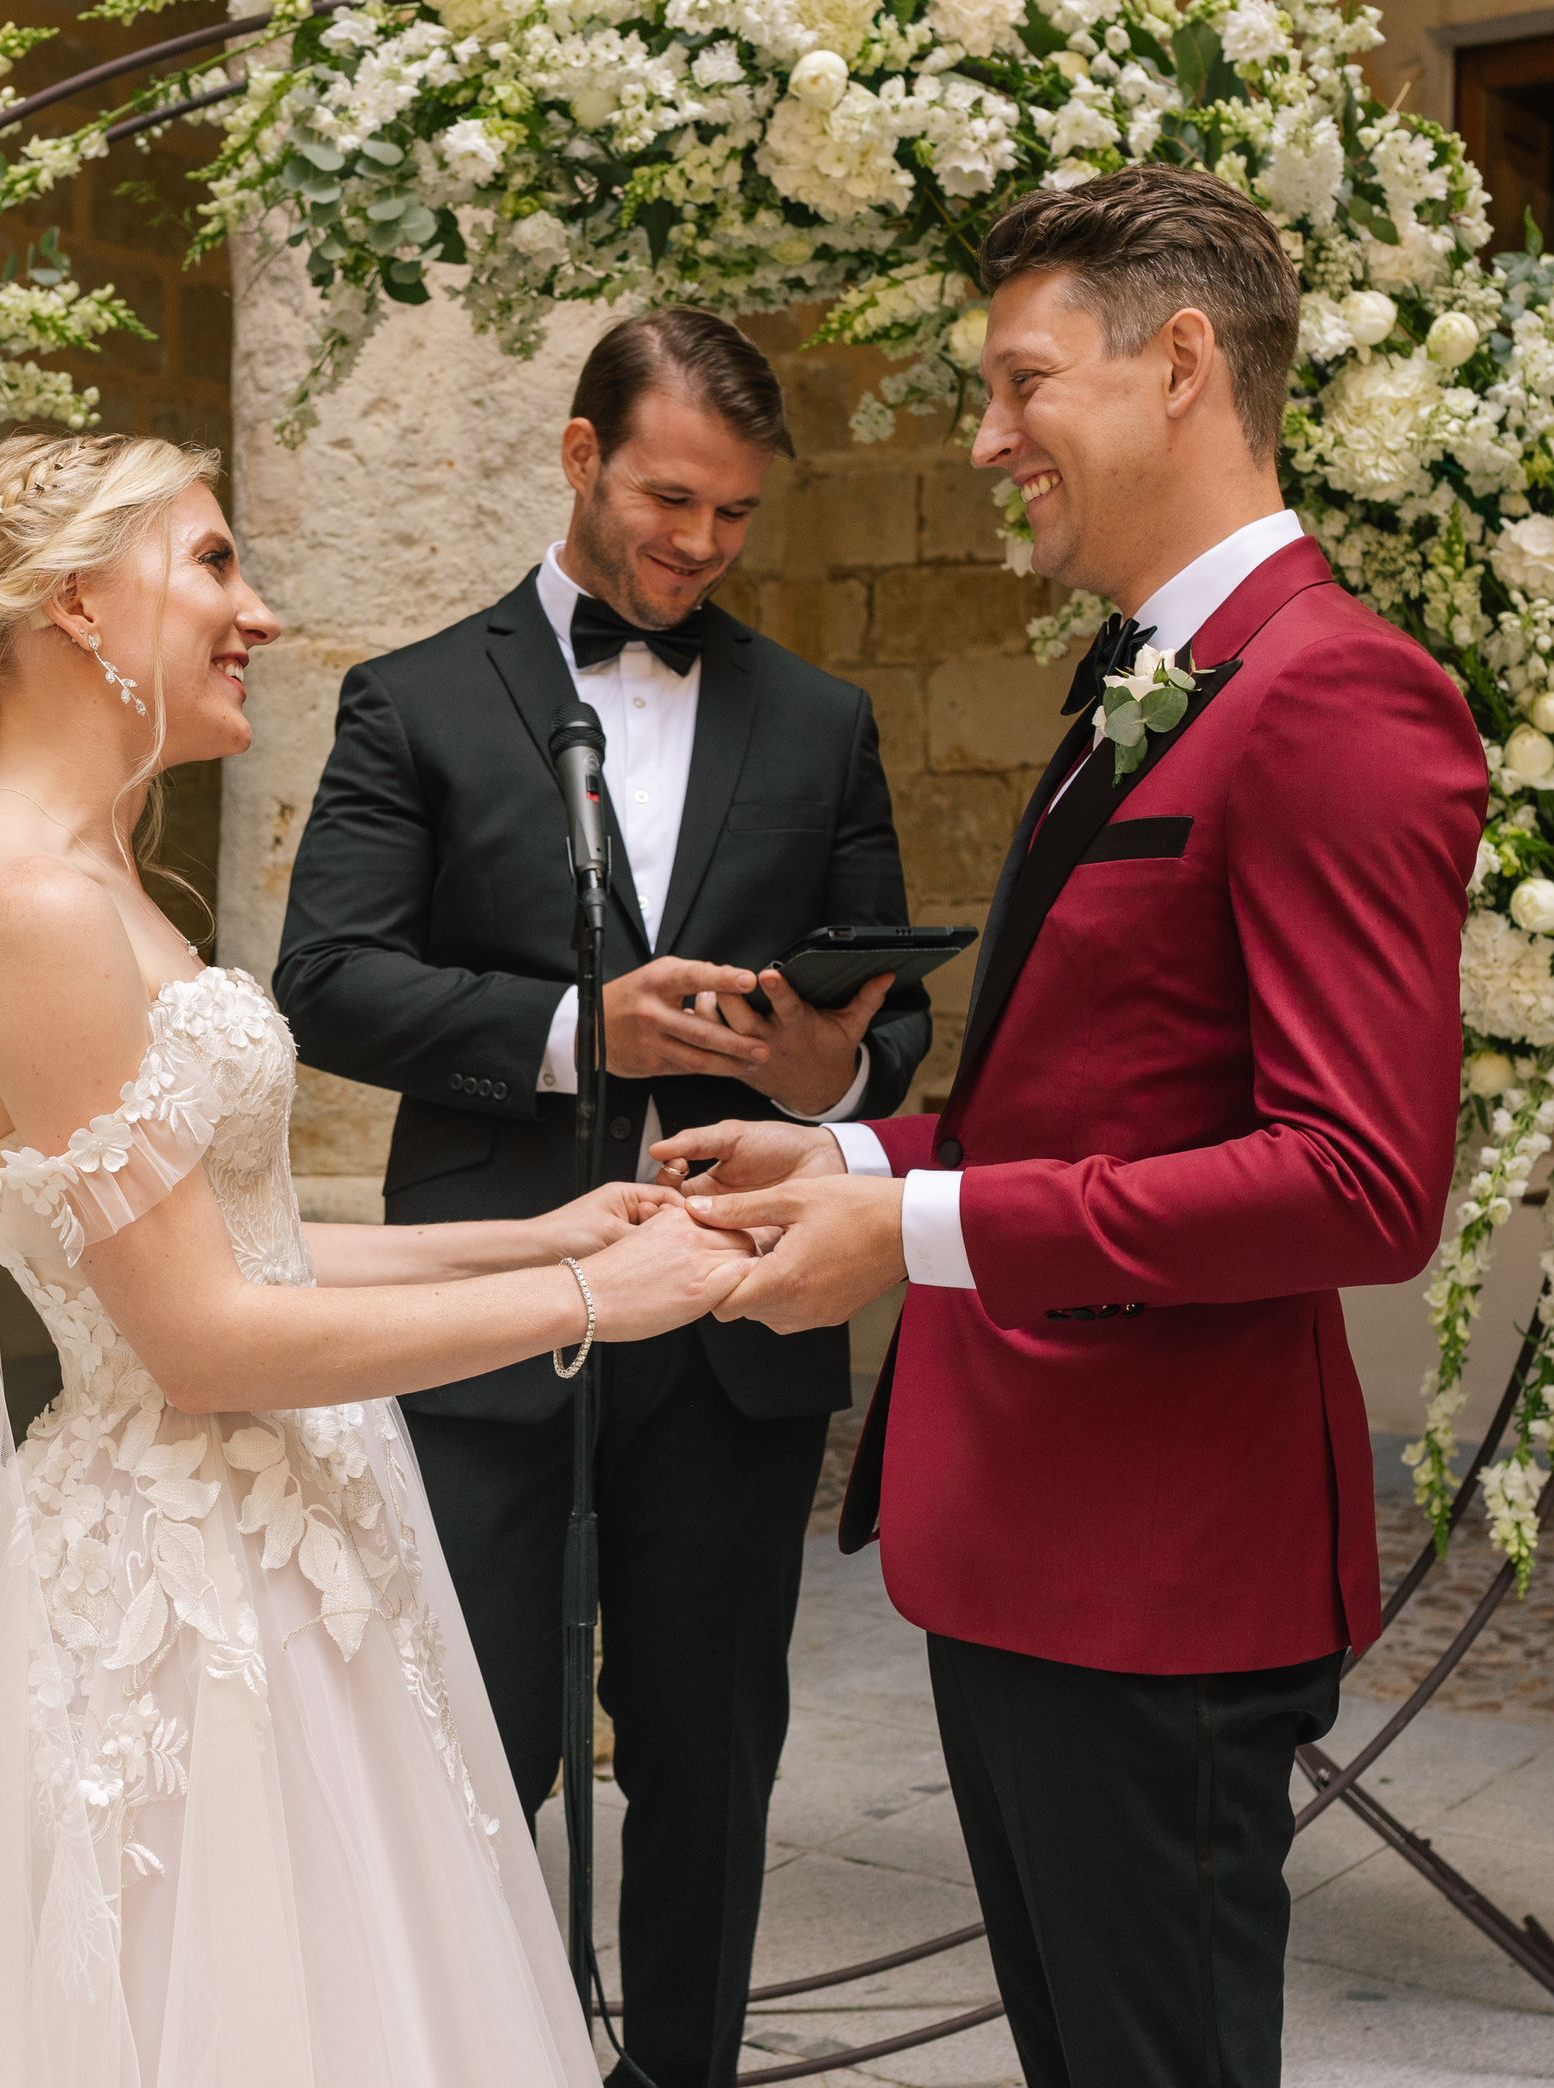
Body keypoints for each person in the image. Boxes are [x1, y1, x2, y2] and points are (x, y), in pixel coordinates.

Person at [0, 431, 762, 2088]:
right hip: (179, 1596)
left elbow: (232, 1237)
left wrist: (537, 1229)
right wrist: (601, 1302)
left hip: (282, 1535)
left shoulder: (102, 877)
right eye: (215, 564)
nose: (255, 611)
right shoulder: (19, 906)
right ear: (81, 606)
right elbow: (199, 1341)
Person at [660, 168, 1491, 2088]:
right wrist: (859, 1158)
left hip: (1163, 1575)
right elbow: (1083, 1099)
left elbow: (1361, 1183)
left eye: (1020, 383)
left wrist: (915, 1241)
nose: (985, 438)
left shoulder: (1339, 695)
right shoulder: (1144, 682)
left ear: (1180, 362)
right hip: (1024, 1544)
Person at [272, 310, 933, 2088]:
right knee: (473, 1762)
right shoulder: (412, 696)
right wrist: (578, 1027)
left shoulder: (823, 718)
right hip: (488, 1340)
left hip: (732, 1327)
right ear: (580, 457)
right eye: (668, 499)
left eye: (733, 515)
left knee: (714, 1770)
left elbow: (897, 1016)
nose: (701, 545)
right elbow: (323, 980)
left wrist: (825, 1078)